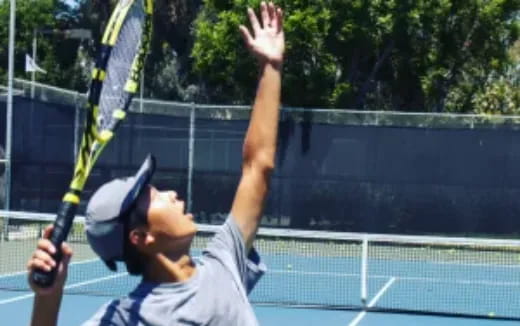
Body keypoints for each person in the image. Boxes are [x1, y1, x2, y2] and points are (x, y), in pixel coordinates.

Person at [27, 2, 284, 325]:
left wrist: (270, 67)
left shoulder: (225, 260)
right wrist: (48, 300)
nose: (172, 195)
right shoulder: (121, 318)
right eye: (155, 196)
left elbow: (258, 166)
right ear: (141, 237)